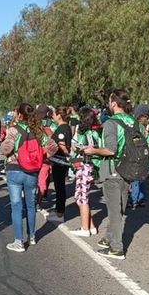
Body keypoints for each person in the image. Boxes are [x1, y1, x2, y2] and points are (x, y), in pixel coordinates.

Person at [83, 89, 141, 260]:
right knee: (120, 207)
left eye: (109, 101)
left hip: (113, 169)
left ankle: (116, 247)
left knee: (114, 210)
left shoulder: (111, 123)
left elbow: (110, 150)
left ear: (114, 103)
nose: (108, 104)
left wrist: (93, 150)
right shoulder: (134, 122)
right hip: (129, 169)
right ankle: (109, 237)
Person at [0, 103, 44, 252]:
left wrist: (9, 152)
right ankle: (32, 236)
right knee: (31, 205)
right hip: (32, 171)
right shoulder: (38, 131)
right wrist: (38, 157)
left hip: (15, 170)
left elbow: (5, 149)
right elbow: (52, 147)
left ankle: (19, 241)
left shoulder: (14, 130)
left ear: (19, 115)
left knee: (16, 206)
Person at [69, 106, 101, 237]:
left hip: (83, 166)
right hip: (93, 167)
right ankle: (91, 226)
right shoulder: (97, 132)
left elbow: (74, 146)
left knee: (81, 198)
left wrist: (76, 149)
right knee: (84, 196)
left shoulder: (82, 133)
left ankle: (84, 228)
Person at [128, 106, 149, 209]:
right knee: (142, 180)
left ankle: (133, 200)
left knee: (135, 180)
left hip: (136, 158)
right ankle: (141, 199)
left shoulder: (135, 128)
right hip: (146, 158)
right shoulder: (146, 130)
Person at [47, 106, 72, 222]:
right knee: (58, 186)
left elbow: (62, 145)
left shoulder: (62, 128)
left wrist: (67, 155)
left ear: (59, 115)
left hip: (60, 161)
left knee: (60, 187)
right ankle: (58, 209)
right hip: (58, 161)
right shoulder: (65, 127)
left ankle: (60, 213)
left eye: (54, 114)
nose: (52, 116)